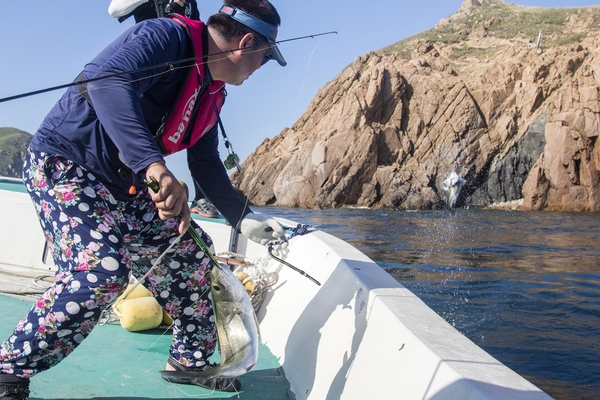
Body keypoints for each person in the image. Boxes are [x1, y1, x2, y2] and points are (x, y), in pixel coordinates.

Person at [0, 1, 286, 398]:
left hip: (128, 186)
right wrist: (155, 167)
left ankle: (191, 362)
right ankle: (9, 371)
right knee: (102, 273)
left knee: (194, 261)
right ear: (247, 41)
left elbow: (204, 164)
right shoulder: (164, 35)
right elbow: (107, 82)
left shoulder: (213, 92)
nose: (262, 66)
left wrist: (243, 216)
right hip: (67, 165)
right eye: (265, 56)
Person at [109, 0, 222, 219]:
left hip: (187, 75)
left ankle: (200, 196)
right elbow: (114, 9)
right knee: (140, 136)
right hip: (152, 76)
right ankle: (142, 182)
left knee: (198, 127)